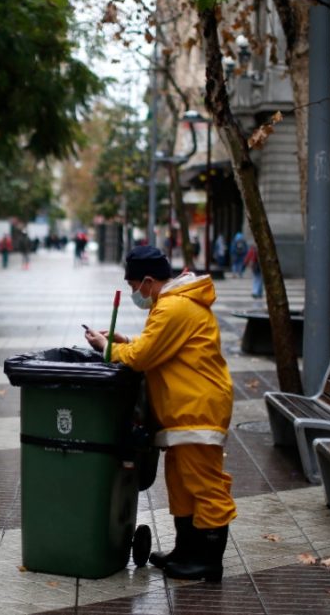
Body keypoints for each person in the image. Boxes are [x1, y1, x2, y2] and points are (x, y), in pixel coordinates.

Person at [84, 246, 235, 582]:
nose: (137, 293)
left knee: (205, 485)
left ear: (149, 280)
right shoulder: (172, 304)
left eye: (136, 285)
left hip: (197, 408)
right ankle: (186, 550)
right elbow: (159, 345)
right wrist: (125, 340)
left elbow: (142, 356)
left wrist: (107, 347)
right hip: (183, 412)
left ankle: (209, 560)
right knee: (181, 484)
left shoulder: (174, 306)